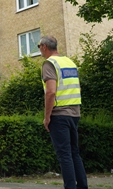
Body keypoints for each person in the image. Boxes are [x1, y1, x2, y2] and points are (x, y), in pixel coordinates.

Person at [38, 36, 88, 189]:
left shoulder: (49, 64)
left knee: (64, 155)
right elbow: (77, 88)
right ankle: (82, 187)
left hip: (59, 115)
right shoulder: (70, 62)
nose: (39, 48)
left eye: (39, 45)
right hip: (75, 114)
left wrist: (47, 117)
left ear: (45, 47)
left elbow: (51, 92)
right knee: (74, 153)